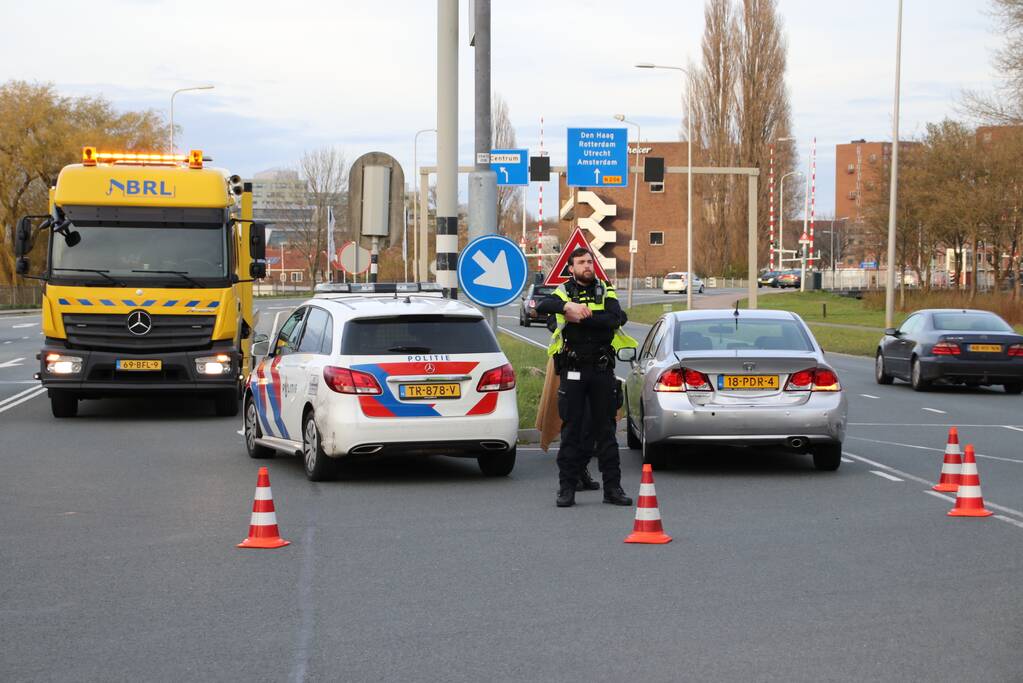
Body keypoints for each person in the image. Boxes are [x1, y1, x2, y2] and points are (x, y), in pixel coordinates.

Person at [536, 248, 638, 508]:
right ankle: (567, 489)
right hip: (573, 370)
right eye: (581, 262)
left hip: (602, 370)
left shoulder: (606, 289)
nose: (587, 266)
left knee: (606, 431)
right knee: (570, 430)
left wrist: (584, 317)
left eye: (590, 261)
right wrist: (566, 307)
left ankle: (612, 489)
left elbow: (615, 318)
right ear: (571, 268)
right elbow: (542, 305)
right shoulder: (564, 291)